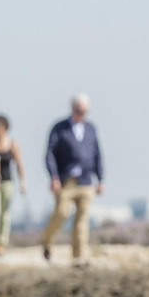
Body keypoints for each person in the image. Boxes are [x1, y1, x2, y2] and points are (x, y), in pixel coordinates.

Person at [42, 93, 104, 262]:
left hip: (86, 180)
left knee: (82, 219)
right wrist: (54, 177)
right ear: (72, 109)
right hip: (66, 181)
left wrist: (101, 179)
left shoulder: (91, 128)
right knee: (62, 213)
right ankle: (47, 242)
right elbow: (49, 154)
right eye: (78, 110)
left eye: (84, 111)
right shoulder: (59, 128)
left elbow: (97, 154)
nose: (81, 114)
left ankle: (79, 256)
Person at [0, 114, 25, 253]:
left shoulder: (12, 144)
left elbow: (19, 164)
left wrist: (22, 182)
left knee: (5, 214)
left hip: (7, 182)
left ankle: (1, 242)